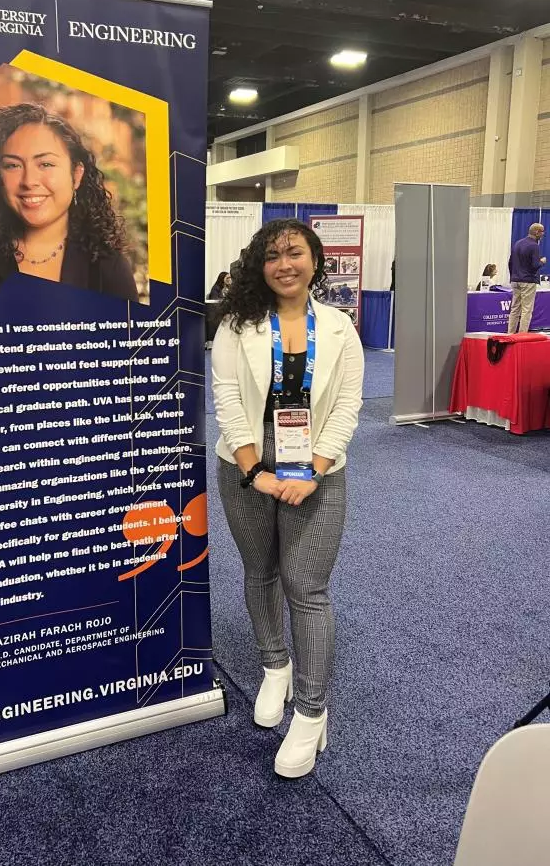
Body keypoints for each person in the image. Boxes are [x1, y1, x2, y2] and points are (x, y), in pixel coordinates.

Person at [212, 219, 364, 779]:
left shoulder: (340, 327)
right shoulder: (237, 324)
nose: (284, 264)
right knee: (261, 572)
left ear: (314, 260)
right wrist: (256, 473)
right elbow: (227, 399)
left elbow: (349, 404)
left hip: (317, 470)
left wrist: (315, 470)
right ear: (260, 265)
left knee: (308, 588)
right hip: (247, 468)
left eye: (294, 253)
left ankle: (311, 711)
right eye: (273, 256)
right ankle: (274, 664)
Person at [0, 103, 138, 338]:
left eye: (46, 164)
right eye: (12, 165)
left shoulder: (107, 266)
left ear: (76, 175)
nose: (29, 180)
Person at [507, 223, 546, 333]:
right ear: (536, 232)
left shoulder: (517, 243)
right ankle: (522, 336)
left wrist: (513, 277)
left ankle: (510, 334)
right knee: (526, 310)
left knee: (514, 309)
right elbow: (534, 266)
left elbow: (510, 262)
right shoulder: (534, 246)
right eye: (542, 232)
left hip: (515, 280)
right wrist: (542, 262)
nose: (543, 234)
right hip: (528, 281)